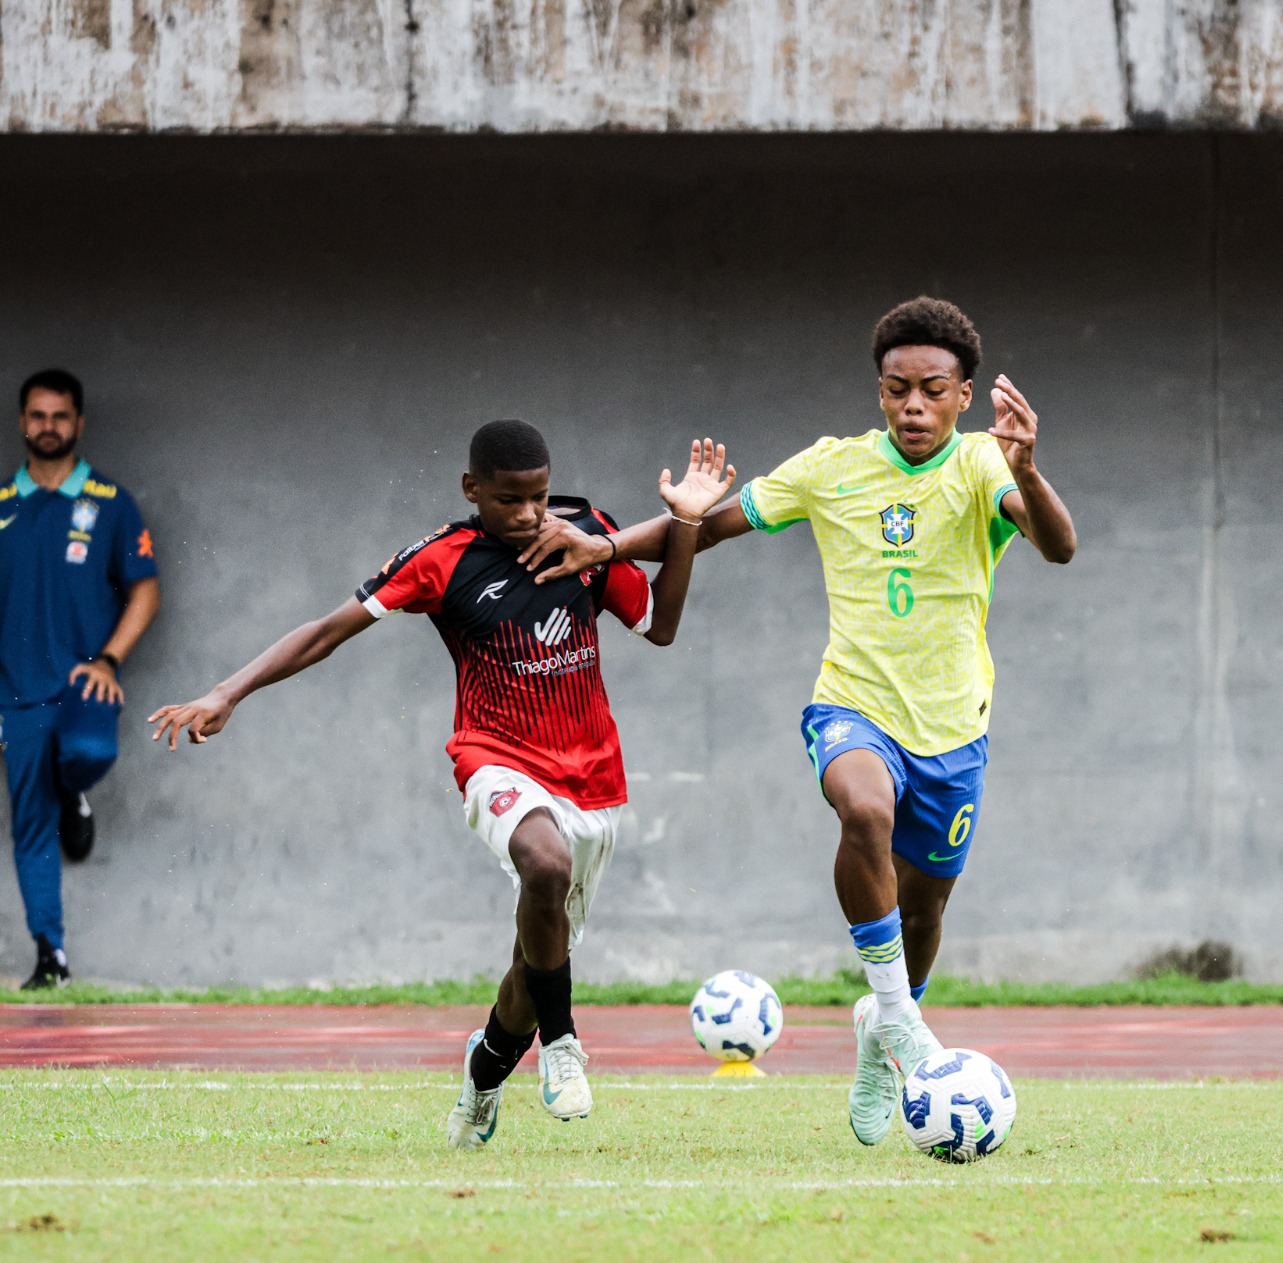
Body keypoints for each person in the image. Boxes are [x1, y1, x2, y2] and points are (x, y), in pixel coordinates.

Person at [522, 298, 1077, 1144]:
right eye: (897, 389)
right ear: (879, 391)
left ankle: (878, 1032)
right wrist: (605, 547)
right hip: (853, 703)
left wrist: (1028, 470)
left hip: (954, 726)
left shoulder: (980, 464)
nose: (913, 406)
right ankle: (900, 1018)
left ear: (964, 396)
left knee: (925, 913)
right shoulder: (831, 466)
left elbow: (1059, 545)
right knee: (864, 807)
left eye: (933, 390)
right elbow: (711, 528)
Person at [148, 422, 732, 1148]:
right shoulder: (442, 559)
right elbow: (328, 629)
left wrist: (686, 520)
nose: (529, 514)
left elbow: (661, 625)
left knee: (531, 966)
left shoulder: (588, 536)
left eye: (540, 496)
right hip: (494, 757)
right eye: (510, 499)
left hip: (593, 779)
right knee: (544, 865)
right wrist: (227, 691)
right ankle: (562, 1045)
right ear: (472, 489)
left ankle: (484, 1073)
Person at [0, 369, 161, 989]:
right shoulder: (2, 505)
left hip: (83, 686)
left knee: (90, 752)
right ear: (22, 422)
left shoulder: (110, 501)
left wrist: (108, 660)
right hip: (15, 693)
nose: (48, 426)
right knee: (30, 823)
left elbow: (145, 590)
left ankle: (72, 790)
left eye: (60, 415)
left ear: (79, 422)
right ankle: (52, 957)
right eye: (38, 415)